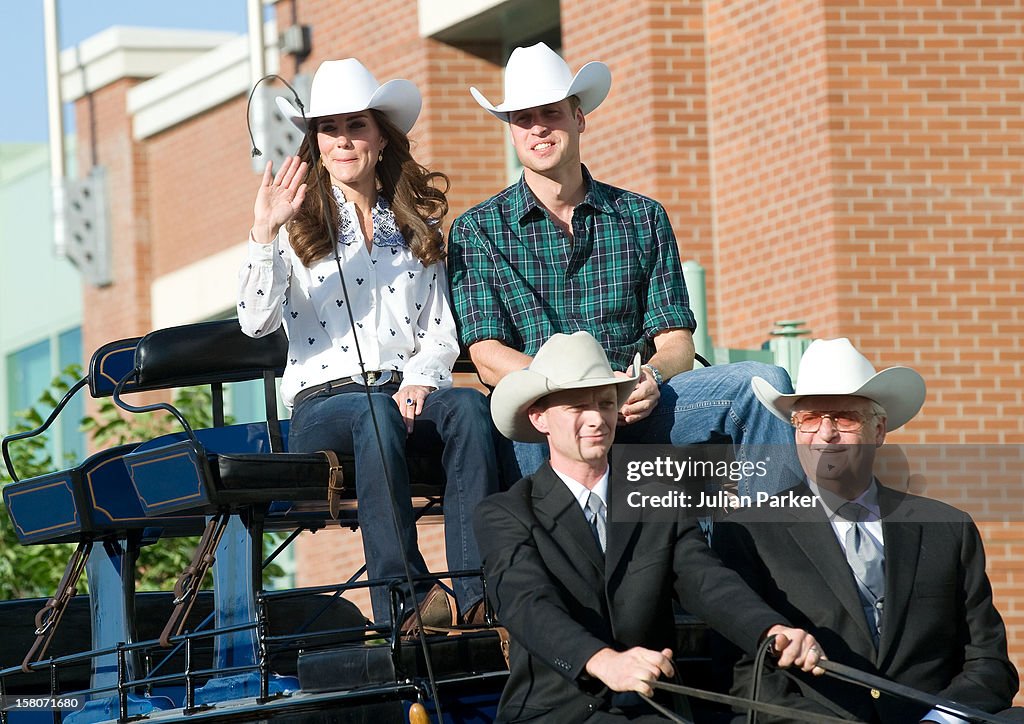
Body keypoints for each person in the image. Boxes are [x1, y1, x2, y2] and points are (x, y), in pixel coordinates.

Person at [448, 42, 797, 489]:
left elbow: (676, 343)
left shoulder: (642, 216)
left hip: (635, 404)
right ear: (512, 133)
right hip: (545, 413)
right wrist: (570, 391)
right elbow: (488, 355)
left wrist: (650, 377)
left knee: (763, 381)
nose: (538, 128)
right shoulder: (477, 229)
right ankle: (562, 551)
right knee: (533, 418)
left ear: (578, 118)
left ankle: (771, 553)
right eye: (523, 119)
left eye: (551, 113)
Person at [237, 58, 498, 628]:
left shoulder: (412, 225)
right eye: (330, 129)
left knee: (471, 408)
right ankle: (405, 597)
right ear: (316, 142)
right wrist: (264, 233)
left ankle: (481, 596)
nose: (344, 140)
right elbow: (255, 322)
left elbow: (438, 330)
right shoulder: (292, 221)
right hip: (324, 406)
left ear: (381, 137)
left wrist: (421, 381)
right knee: (375, 414)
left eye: (357, 126)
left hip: (402, 393)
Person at [475, 331, 824, 723]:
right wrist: (603, 661)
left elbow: (706, 581)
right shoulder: (505, 513)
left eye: (606, 404)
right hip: (554, 713)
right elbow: (527, 605)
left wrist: (769, 631)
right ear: (540, 418)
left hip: (652, 708)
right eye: (577, 407)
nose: (596, 419)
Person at [711, 338, 1021, 722]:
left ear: (879, 431)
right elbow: (746, 677)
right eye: (809, 419)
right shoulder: (748, 532)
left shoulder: (948, 529)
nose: (826, 434)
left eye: (844, 418)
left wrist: (941, 718)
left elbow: (988, 663)